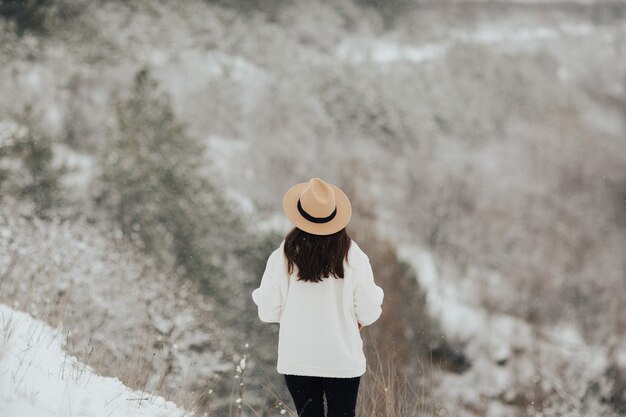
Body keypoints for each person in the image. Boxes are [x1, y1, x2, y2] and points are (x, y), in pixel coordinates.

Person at [251, 177, 385, 417]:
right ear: (334, 216)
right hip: (341, 358)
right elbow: (369, 312)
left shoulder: (283, 255)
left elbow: (268, 311)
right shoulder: (354, 256)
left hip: (298, 358)